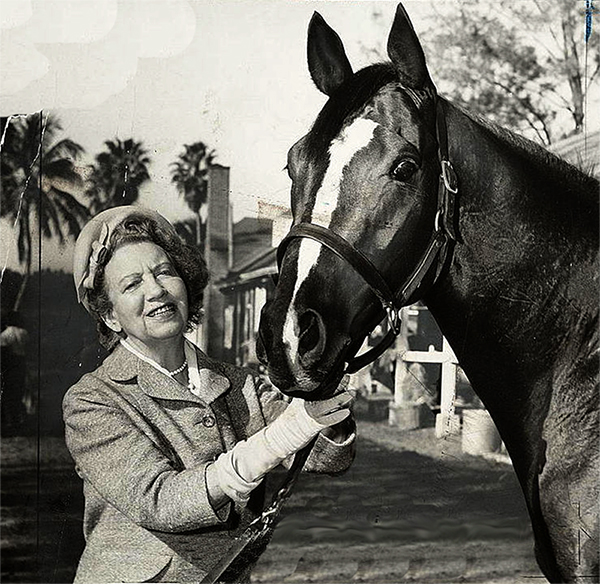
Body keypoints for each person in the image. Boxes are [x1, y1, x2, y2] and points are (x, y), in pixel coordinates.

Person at [63, 206, 355, 583]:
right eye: (132, 284)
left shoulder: (240, 383)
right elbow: (160, 501)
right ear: (110, 316)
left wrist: (327, 395)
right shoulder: (92, 401)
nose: (156, 290)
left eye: (164, 272)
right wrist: (284, 434)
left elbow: (326, 457)